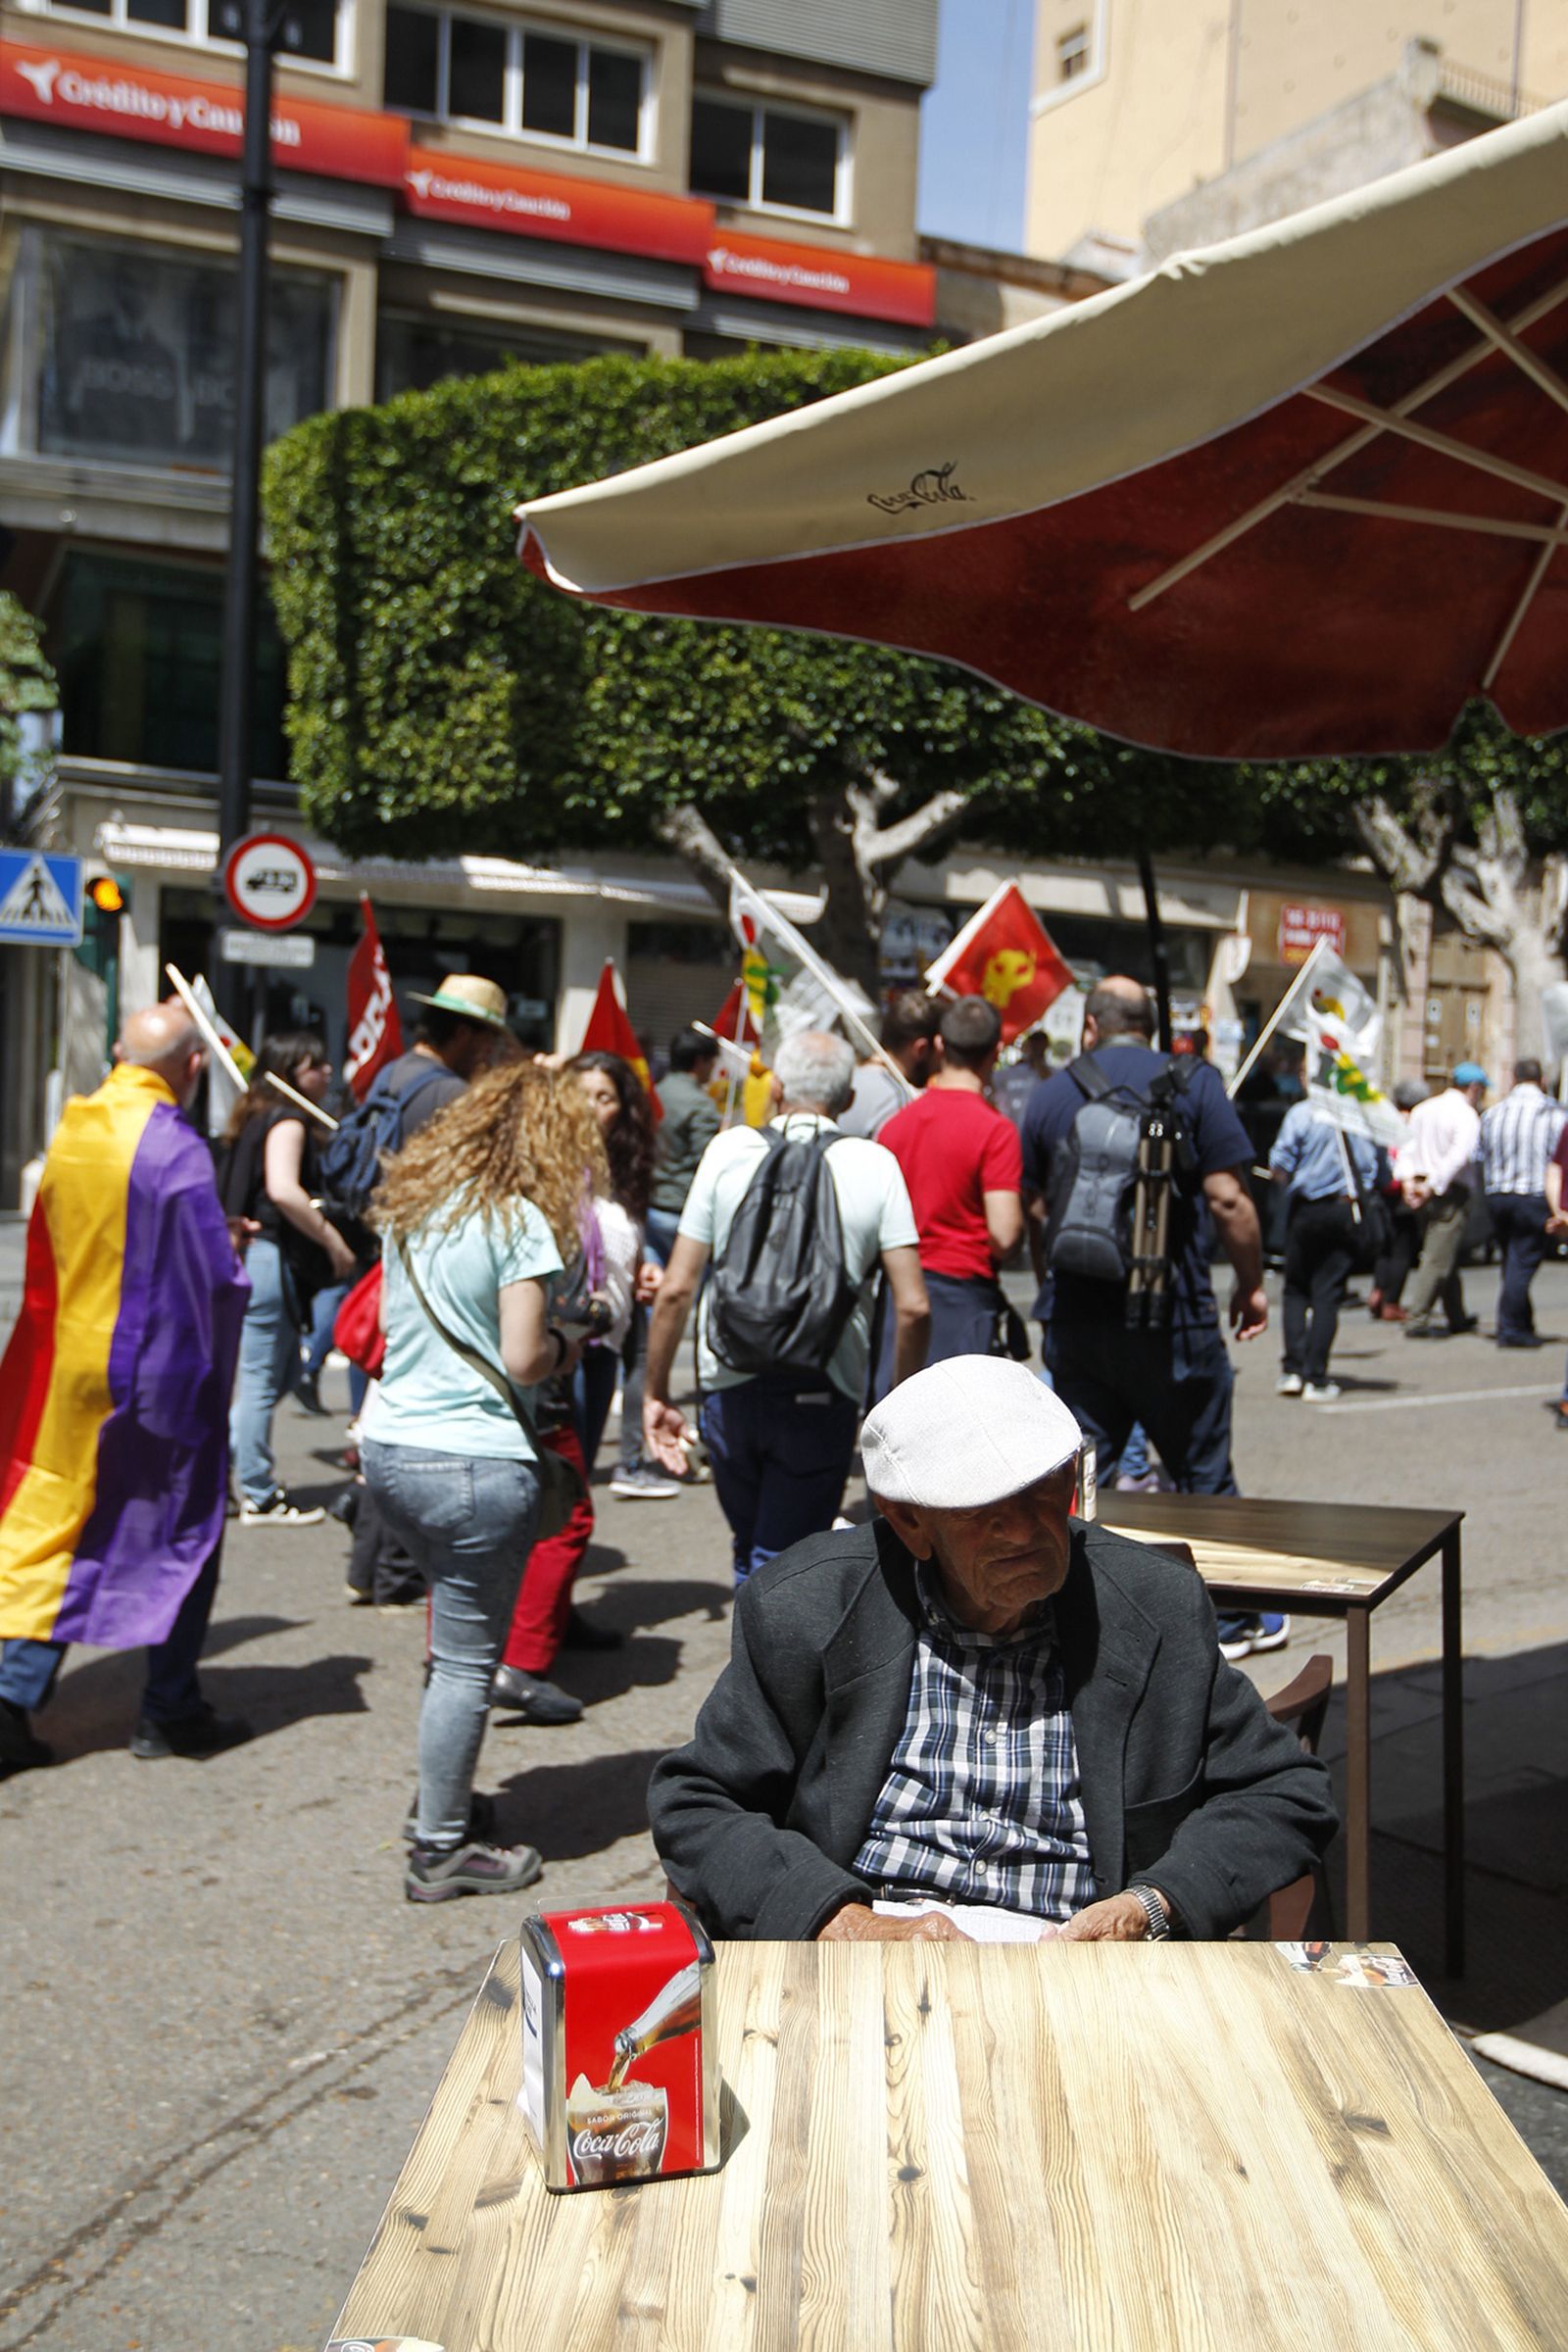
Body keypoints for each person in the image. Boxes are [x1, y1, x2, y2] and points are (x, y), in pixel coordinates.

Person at [649, 1356, 1336, 1942]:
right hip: (872, 1949)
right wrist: (841, 1920)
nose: (1025, 1532)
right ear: (909, 1521)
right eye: (985, 1510)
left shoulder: (1155, 1606)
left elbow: (1284, 1790)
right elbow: (700, 1801)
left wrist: (1150, 1906)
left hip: (1075, 1966)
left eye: (1044, 1493)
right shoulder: (804, 1606)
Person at [361, 1060, 590, 1901]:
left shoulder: (415, 1208)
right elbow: (524, 1356)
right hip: (471, 1462)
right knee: (465, 1663)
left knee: (449, 1648)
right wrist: (573, 1342)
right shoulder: (519, 1219)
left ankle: (442, 1797)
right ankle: (440, 1848)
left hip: (389, 1448)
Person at [0, 1004, 251, 1770]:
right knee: (184, 1530)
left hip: (69, 1363)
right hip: (153, 1378)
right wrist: (229, 1244)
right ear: (194, 1066)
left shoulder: (75, 1127)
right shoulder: (176, 1150)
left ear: (117, 1053)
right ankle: (168, 1709)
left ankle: (10, 1700)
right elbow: (211, 1282)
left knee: (59, 1528)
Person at [1021, 978, 1276, 1662]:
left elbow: (1038, 1209)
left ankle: (1075, 1618)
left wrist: (1054, 1294)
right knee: (1202, 1474)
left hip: (1078, 1323)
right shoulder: (1195, 1084)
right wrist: (1250, 1286)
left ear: (1091, 1030)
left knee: (1078, 1483)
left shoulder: (1052, 1093)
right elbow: (1228, 1199)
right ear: (1154, 1026)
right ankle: (1232, 1621)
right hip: (1175, 1323)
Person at [643, 1031, 931, 1584]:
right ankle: (762, 1667)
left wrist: (656, 1392)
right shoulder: (875, 1165)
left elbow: (677, 1288)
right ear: (848, 1098)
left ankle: (753, 1660)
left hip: (729, 1386)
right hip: (821, 1393)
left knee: (752, 1547)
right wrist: (893, 1413)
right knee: (784, 1563)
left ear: (775, 1086)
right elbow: (914, 1306)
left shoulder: (727, 1151)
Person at [493, 1051, 649, 1724]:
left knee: (570, 1499)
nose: (593, 1107)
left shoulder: (624, 1171)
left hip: (602, 1345)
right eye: (581, 1093)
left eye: (606, 1096)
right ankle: (518, 1652)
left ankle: (554, 1614)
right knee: (557, 1502)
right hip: (559, 1349)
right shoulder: (545, 1166)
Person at [222, 1032, 357, 1526]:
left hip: (254, 1257)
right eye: (314, 1066)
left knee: (277, 1373)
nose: (326, 1073)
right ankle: (258, 1488)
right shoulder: (288, 1119)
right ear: (289, 1074)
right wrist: (332, 1240)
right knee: (262, 1377)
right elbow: (284, 1189)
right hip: (270, 1257)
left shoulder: (250, 1117)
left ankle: (221, 1466)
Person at [876, 996, 1023, 1381]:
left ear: (940, 1045)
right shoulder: (996, 1131)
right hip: (963, 1303)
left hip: (898, 1296)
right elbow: (1004, 1234)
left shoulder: (896, 1126)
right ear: (996, 1051)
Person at [611, 1030, 717, 1500]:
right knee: (700, 1324)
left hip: (649, 1213)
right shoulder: (701, 1107)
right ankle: (703, 1436)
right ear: (701, 1064)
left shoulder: (650, 1096)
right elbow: (709, 1168)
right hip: (685, 1222)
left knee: (646, 1336)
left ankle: (633, 1451)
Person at [1269, 1100, 1381, 1401]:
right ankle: (1315, 1376)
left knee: (1296, 1289)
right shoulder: (1355, 1115)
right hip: (1342, 1208)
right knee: (1327, 1293)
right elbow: (1370, 1167)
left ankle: (1293, 1369)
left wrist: (1286, 1179)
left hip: (1305, 1208)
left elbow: (1280, 1161)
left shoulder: (1302, 1113)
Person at [1478, 1058, 1565, 1348]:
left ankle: (1521, 1321)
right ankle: (1512, 1328)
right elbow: (1559, 1163)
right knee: (1522, 1263)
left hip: (1498, 1194)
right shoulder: (1553, 1113)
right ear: (1541, 1080)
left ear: (1514, 1079)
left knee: (1512, 1261)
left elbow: (1480, 1154)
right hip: (1534, 1195)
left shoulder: (1493, 1113)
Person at [1401, 1062, 1487, 1340]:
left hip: (1423, 1182)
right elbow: (1458, 1155)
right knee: (1438, 1257)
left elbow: (1406, 1146)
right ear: (1474, 1088)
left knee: (1444, 1251)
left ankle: (1456, 1314)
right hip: (1447, 1190)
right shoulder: (1466, 1115)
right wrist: (1433, 1185)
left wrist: (1409, 1182)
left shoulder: (1424, 1109)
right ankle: (1418, 1318)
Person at [838, 990, 942, 1141]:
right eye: (939, 1051)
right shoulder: (898, 1102)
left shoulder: (846, 1079)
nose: (940, 1063)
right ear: (921, 1049)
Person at [1368, 1079, 1429, 1321]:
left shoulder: (1385, 1120)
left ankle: (1377, 1290)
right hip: (1406, 1188)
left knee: (1385, 1246)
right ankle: (1391, 1301)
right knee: (1402, 1250)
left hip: (1384, 1190)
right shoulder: (1415, 1122)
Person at [991, 1029, 1052, 1129]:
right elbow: (990, 1081)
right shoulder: (1013, 1071)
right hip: (1015, 1125)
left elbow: (1049, 1081)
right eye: (1035, 1045)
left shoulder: (1052, 1071)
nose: (1037, 1049)